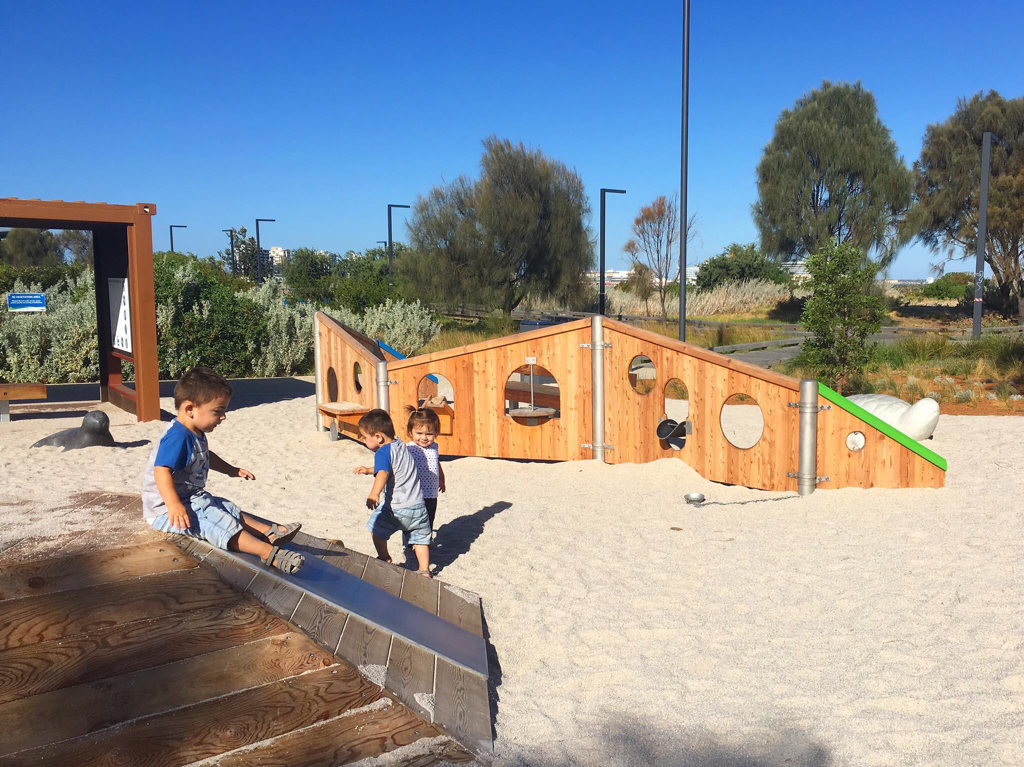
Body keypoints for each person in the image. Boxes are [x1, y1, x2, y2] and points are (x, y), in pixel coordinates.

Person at [141, 367, 305, 573]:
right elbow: (161, 470)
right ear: (190, 409)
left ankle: (269, 533)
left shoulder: (194, 431)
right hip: (165, 511)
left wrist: (231, 470)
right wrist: (174, 505)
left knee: (225, 507)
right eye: (218, 411)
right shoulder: (178, 437)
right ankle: (267, 553)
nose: (223, 417)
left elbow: (205, 455)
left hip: (189, 497)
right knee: (216, 521)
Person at [353, 408, 431, 576]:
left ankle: (384, 556)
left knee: (376, 529)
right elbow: (393, 467)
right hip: (418, 506)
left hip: (397, 508)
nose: (363, 440)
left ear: (378, 437)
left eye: (365, 437)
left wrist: (374, 493)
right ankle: (424, 569)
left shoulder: (382, 452)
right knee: (420, 540)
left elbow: (383, 472)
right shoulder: (400, 445)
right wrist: (369, 470)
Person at [403, 406, 445, 550]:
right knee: (412, 519)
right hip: (415, 492)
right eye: (419, 433)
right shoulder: (409, 449)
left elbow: (436, 462)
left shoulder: (434, 447)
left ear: (436, 433)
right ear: (410, 432)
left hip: (431, 492)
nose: (424, 437)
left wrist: (441, 479)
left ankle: (426, 539)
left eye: (429, 433)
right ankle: (409, 545)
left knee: (429, 516)